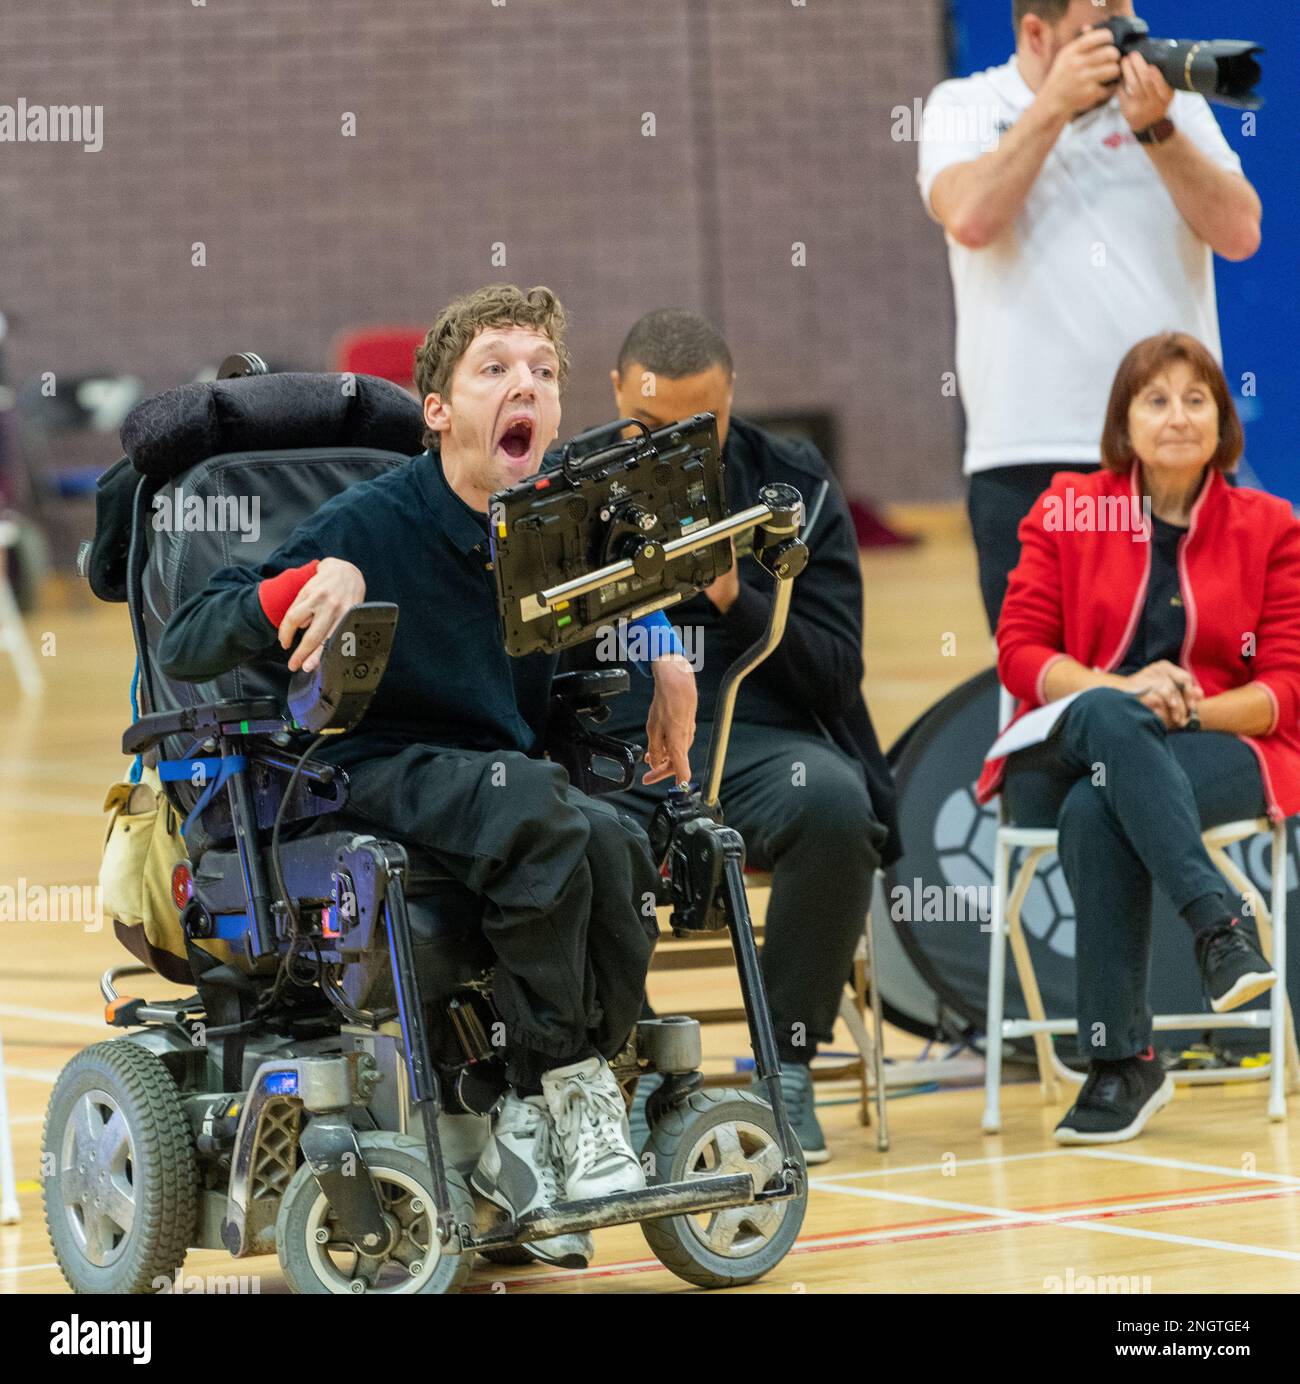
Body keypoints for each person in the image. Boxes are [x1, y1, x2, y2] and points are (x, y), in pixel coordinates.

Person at [160, 284, 701, 1268]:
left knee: (619, 839)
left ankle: (535, 1130)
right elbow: (196, 634)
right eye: (494, 367)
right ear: (440, 411)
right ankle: (561, 1093)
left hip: (501, 776)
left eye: (540, 369)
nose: (523, 383)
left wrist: (665, 651)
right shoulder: (372, 520)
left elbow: (632, 576)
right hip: (367, 770)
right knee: (541, 810)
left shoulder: (550, 519)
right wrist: (303, 584)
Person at [560, 308, 901, 1164]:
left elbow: (834, 672)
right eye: (653, 426)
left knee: (832, 804)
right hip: (618, 747)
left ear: (733, 399)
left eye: (699, 427)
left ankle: (782, 1069)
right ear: (614, 392)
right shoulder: (568, 484)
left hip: (755, 743)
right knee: (576, 829)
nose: (676, 446)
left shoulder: (795, 485)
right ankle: (628, 1073)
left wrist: (729, 593)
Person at [976, 332, 1300, 1145]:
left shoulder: (1269, 524)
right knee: (1107, 724)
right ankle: (1219, 928)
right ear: (1125, 422)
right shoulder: (1066, 506)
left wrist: (1185, 709)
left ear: (1223, 420)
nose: (1178, 417)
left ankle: (1122, 1064)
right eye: (1156, 400)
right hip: (1060, 743)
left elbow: (1286, 688)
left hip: (1210, 747)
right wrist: (1127, 693)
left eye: (1197, 400)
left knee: (1101, 805)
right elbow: (1019, 652)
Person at [917, 0, 1262, 631]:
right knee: (1043, 682)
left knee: (1200, 658)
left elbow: (1240, 233)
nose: (1125, 46)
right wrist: (1051, 108)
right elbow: (969, 218)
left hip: (1172, 447)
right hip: (1027, 453)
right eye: (1100, 35)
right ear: (1036, 34)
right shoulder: (963, 104)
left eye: (1129, 25)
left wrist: (1156, 131)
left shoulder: (1172, 105)